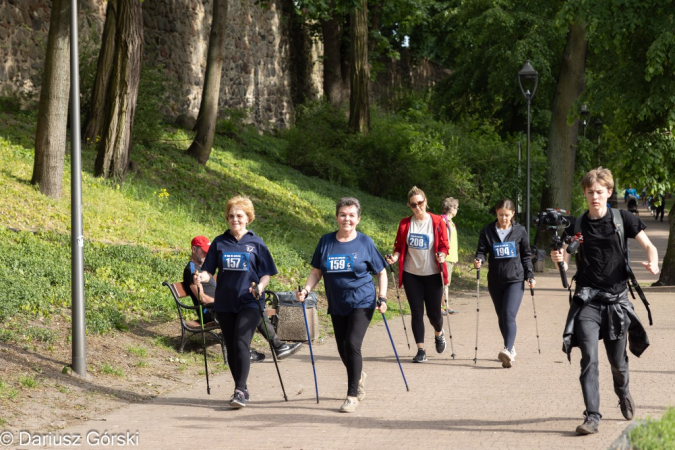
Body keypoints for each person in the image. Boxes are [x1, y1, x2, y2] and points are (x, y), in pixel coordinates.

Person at [550, 167, 660, 435]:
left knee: (618, 364)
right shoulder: (576, 225)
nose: (595, 197)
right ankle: (592, 416)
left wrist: (654, 263)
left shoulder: (623, 219)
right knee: (589, 358)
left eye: (600, 192)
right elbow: (564, 260)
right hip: (587, 301)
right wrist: (559, 262)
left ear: (609, 192)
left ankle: (623, 393)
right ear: (585, 194)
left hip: (616, 302)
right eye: (590, 192)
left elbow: (650, 246)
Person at [297, 197, 388, 413]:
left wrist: (382, 297)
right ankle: (359, 376)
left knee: (352, 345)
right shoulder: (326, 242)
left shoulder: (365, 243)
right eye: (343, 215)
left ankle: (352, 395)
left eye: (351, 215)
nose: (347, 219)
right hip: (337, 303)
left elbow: (381, 272)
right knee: (342, 349)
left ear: (358, 219)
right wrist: (306, 290)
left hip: (362, 301)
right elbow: (316, 271)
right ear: (337, 217)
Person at [193, 196, 279, 409]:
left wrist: (260, 286)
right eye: (231, 216)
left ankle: (240, 390)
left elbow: (267, 273)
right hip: (225, 302)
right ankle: (241, 388)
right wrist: (201, 277)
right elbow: (208, 271)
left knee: (241, 340)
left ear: (248, 218)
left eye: (239, 216)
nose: (235, 219)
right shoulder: (220, 242)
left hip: (250, 301)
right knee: (231, 346)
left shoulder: (256, 243)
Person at [184, 236, 301, 363]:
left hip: (222, 304)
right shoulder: (192, 270)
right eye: (203, 251)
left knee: (253, 307)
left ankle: (273, 347)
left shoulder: (205, 269)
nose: (206, 254)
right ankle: (264, 348)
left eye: (208, 251)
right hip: (210, 310)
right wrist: (224, 300)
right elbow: (202, 298)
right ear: (194, 249)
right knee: (251, 310)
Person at [385, 186, 449, 363]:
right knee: (416, 311)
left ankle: (439, 332)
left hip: (433, 274)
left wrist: (442, 255)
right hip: (411, 274)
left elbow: (444, 246)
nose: (417, 207)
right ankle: (421, 350)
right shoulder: (405, 223)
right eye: (413, 205)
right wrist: (394, 258)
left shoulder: (437, 222)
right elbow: (398, 247)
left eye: (420, 203)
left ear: (426, 201)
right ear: (409, 206)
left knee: (434, 314)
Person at [474, 198, 535, 369]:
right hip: (495, 281)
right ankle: (511, 347)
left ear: (513, 214)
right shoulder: (487, 230)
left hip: (514, 280)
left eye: (507, 215)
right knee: (501, 316)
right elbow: (481, 251)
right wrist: (479, 259)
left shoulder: (520, 231)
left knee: (509, 314)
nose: (504, 218)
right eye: (501, 215)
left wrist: (530, 275)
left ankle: (507, 350)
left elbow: (525, 255)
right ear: (496, 213)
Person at [440, 197, 460, 315]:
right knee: (442, 283)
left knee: (446, 283)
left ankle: (445, 305)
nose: (457, 210)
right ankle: (439, 306)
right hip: (445, 258)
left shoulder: (451, 222)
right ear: (451, 208)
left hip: (451, 258)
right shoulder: (443, 221)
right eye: (456, 207)